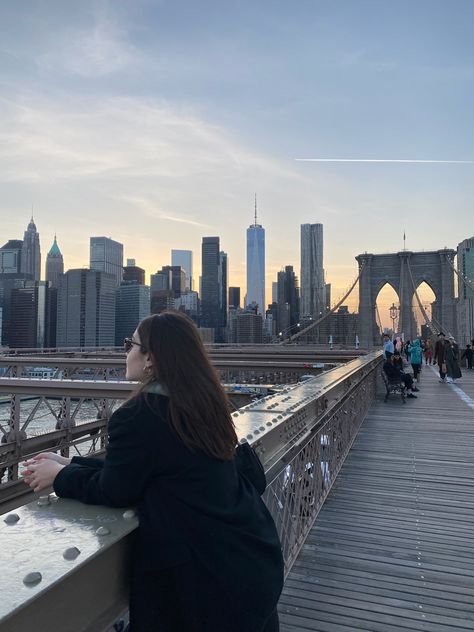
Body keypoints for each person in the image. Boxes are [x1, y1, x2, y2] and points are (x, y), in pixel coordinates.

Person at [23, 311, 284, 632]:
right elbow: (153, 469)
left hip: (204, 585)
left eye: (130, 344)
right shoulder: (205, 402)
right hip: (249, 560)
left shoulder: (138, 415)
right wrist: (71, 464)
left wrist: (59, 478)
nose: (125, 352)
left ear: (151, 359)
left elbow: (117, 490)